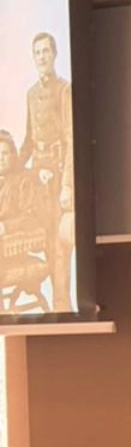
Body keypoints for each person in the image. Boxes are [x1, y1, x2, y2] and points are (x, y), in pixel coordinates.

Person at [19, 32, 74, 312]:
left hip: (57, 179)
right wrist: (12, 170)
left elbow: (71, 139)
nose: (42, 57)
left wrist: (66, 185)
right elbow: (29, 141)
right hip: (37, 182)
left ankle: (62, 308)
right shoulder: (31, 94)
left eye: (46, 51)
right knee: (36, 240)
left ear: (55, 54)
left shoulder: (64, 90)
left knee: (58, 247)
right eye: (37, 52)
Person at [0, 130, 50, 311]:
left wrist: (5, 227)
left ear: (13, 156)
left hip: (13, 251)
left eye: (5, 153)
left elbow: (31, 218)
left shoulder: (23, 181)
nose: (0, 159)